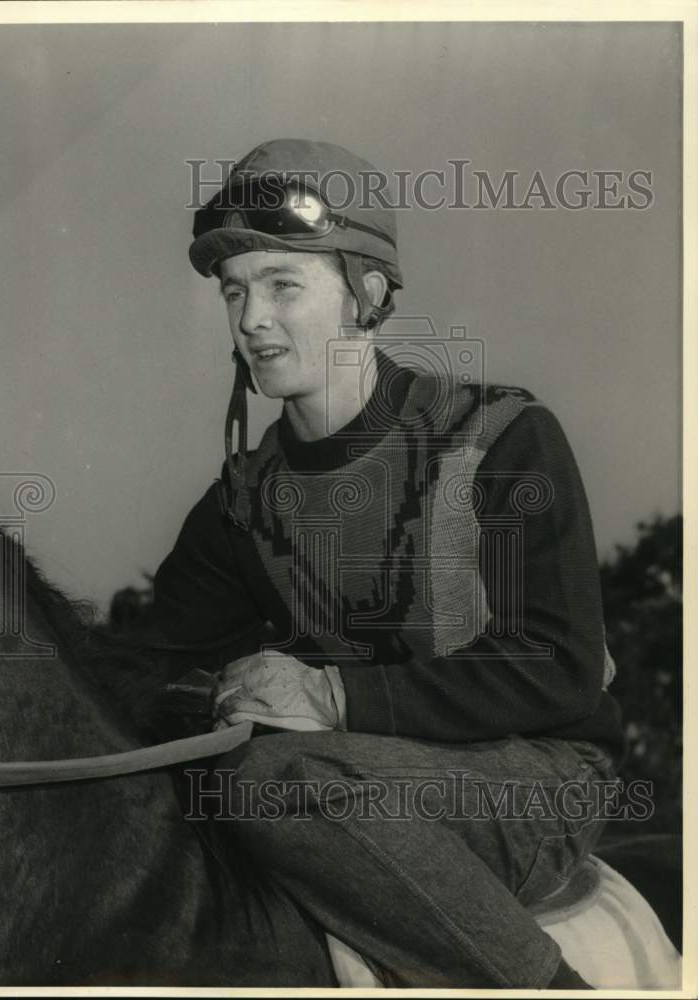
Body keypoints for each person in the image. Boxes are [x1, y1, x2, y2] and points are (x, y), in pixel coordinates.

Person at [151, 138, 625, 988]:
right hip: (347, 785)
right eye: (235, 291)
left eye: (282, 285)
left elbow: (559, 669)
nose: (250, 318)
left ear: (366, 296)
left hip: (536, 782)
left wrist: (334, 696)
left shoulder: (502, 437)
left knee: (270, 778)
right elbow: (147, 668)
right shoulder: (237, 504)